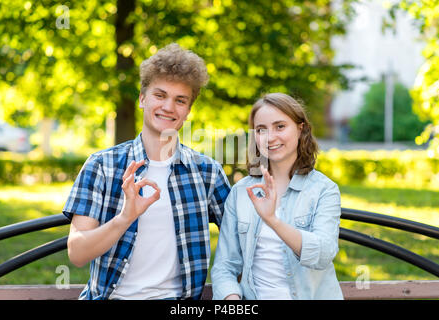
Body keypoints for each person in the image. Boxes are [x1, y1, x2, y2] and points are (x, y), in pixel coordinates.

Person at [63, 43, 231, 300]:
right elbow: (77, 253)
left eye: (180, 100)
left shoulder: (207, 173)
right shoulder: (102, 166)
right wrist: (125, 217)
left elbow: (243, 242)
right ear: (143, 98)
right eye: (160, 95)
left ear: (188, 110)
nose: (168, 107)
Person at [211, 92, 343, 300]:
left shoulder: (324, 190)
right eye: (261, 130)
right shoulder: (241, 193)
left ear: (300, 130)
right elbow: (224, 267)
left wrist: (272, 220)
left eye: (280, 126)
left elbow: (323, 254)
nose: (270, 137)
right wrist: (232, 300)